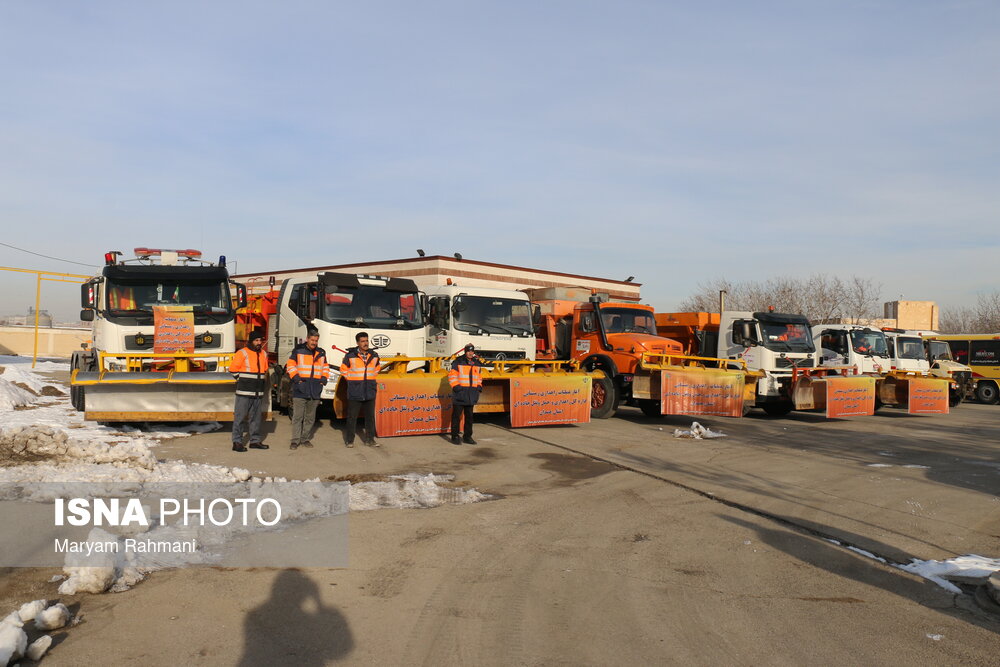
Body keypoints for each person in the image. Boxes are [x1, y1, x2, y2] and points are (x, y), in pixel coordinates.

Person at [287, 327, 330, 450]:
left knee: (310, 418)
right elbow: (290, 365)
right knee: (297, 417)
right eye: (312, 340)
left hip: (315, 389)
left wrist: (323, 379)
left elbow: (325, 367)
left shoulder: (321, 353)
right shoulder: (298, 350)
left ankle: (305, 439)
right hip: (300, 389)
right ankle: (295, 441)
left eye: (316, 341)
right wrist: (297, 379)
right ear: (307, 339)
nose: (314, 343)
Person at [230, 329, 270, 452]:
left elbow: (264, 370)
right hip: (244, 392)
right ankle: (237, 442)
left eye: (260, 340)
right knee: (240, 418)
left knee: (256, 418)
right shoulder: (242, 352)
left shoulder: (263, 354)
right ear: (251, 341)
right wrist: (243, 381)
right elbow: (233, 369)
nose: (259, 343)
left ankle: (255, 441)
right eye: (256, 340)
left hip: (258, 392)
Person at [340, 331, 380, 447]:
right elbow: (343, 369)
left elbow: (377, 367)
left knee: (370, 417)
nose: (365, 343)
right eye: (362, 341)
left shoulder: (374, 355)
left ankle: (370, 440)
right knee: (352, 417)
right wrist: (351, 380)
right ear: (357, 343)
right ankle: (349, 441)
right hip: (355, 391)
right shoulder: (350, 356)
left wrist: (371, 378)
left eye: (366, 341)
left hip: (369, 390)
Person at [449, 343, 485, 445]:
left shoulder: (476, 363)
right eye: (468, 351)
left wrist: (479, 387)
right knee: (456, 416)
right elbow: (452, 376)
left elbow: (479, 377)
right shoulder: (458, 361)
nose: (470, 353)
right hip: (460, 394)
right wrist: (457, 387)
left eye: (472, 351)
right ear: (465, 351)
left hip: (471, 394)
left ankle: (467, 437)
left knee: (469, 417)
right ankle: (455, 436)